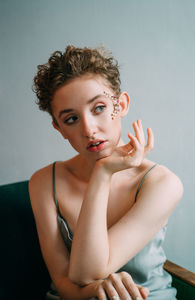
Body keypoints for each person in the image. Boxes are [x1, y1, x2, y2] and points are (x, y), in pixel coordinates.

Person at [29, 45, 183, 300]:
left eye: (99, 108)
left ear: (120, 104)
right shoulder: (44, 183)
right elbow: (66, 280)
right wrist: (97, 292)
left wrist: (101, 173)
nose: (89, 129)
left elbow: (85, 273)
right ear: (59, 128)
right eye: (71, 119)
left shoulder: (163, 184)